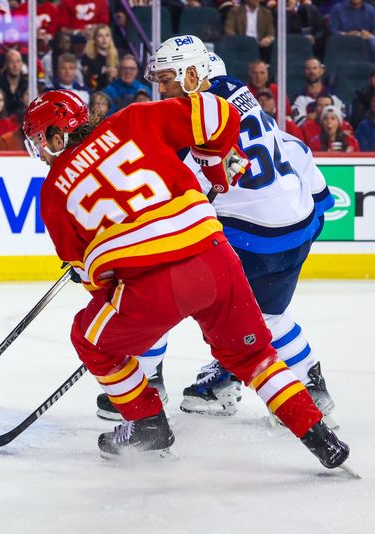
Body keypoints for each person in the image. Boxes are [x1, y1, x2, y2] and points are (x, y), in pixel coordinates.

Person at [22, 89, 350, 470]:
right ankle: (322, 439)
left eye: (40, 142)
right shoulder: (133, 119)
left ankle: (147, 425)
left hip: (152, 286)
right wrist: (213, 166)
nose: (41, 152)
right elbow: (221, 113)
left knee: (89, 337)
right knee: (255, 355)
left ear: (57, 135)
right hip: (215, 258)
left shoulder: (53, 192)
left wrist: (133, 314)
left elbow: (97, 281)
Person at [94, 36, 339, 425]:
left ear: (194, 74)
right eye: (158, 79)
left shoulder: (193, 127)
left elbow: (163, 201)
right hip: (297, 227)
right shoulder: (238, 92)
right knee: (266, 316)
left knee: (157, 290)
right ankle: (309, 385)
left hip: (251, 239)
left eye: (168, 79)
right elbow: (293, 153)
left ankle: (148, 383)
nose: (162, 88)